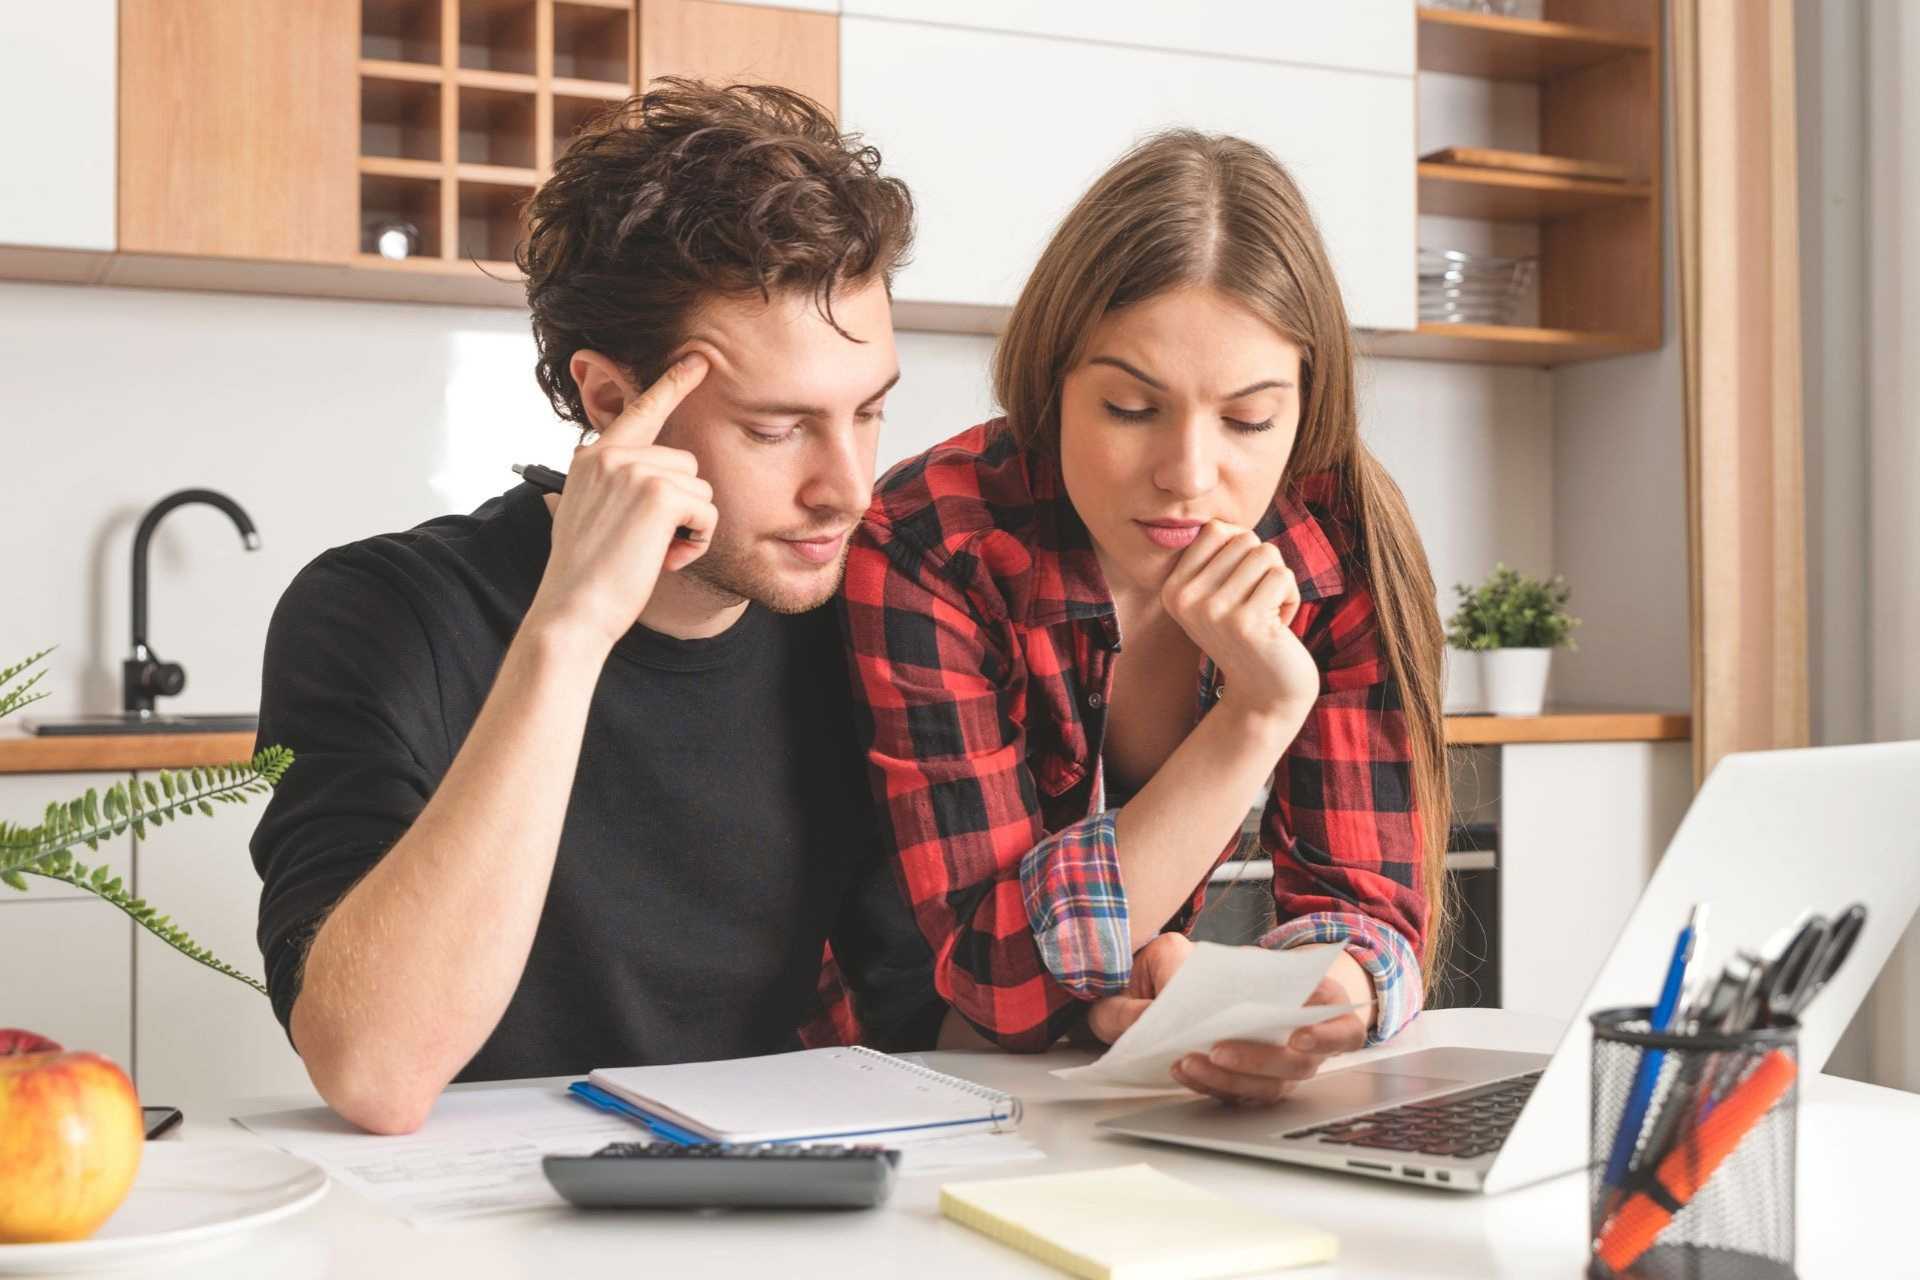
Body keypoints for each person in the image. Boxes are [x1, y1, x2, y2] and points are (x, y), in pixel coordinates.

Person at [251, 81, 942, 1135]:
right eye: (775, 429)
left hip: (774, 1185)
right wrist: (569, 632)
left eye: (871, 411)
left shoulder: (866, 618)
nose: (847, 488)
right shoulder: (382, 613)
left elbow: (929, 1015)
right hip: (463, 1201)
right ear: (616, 402)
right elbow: (373, 1070)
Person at [841, 130, 1450, 1104]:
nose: (1189, 475)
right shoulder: (935, 540)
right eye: (1130, 407)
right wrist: (1256, 712)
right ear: (1052, 388)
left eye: (1249, 420)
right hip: (902, 1075)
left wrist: (1315, 1003)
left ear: (1305, 408)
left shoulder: (1336, 542)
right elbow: (999, 985)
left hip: (1124, 1091)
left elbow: (1370, 918)